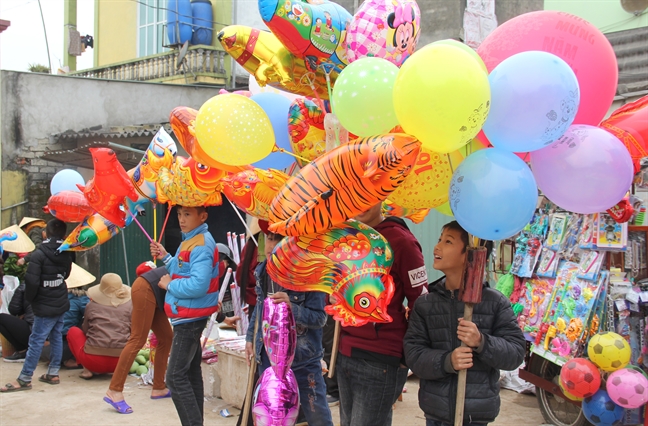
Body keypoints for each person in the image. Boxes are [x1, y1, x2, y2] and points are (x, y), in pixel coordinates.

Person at [403, 221, 526, 426]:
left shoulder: (495, 303)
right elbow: (413, 355)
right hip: (436, 412)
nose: (437, 247)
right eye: (440, 239)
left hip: (475, 415)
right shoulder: (425, 304)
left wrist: (481, 342)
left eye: (448, 242)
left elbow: (515, 353)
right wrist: (447, 361)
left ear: (470, 254)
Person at [337, 203, 428, 426]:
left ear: (381, 196)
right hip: (344, 353)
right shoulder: (346, 237)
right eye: (355, 196)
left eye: (368, 196)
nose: (360, 203)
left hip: (381, 360)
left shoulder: (402, 241)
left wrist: (409, 352)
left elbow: (422, 301)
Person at [245, 230, 333, 426]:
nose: (272, 246)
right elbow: (259, 308)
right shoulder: (263, 270)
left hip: (302, 361)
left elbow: (320, 318)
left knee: (317, 415)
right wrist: (250, 338)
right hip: (268, 359)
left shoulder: (310, 275)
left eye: (279, 239)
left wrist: (292, 309)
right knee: (270, 417)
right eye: (269, 238)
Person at [150, 205, 220, 426]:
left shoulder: (201, 243)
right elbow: (183, 268)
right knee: (190, 374)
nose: (181, 219)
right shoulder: (191, 239)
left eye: (187, 214)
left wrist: (170, 285)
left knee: (174, 378)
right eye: (179, 214)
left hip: (189, 318)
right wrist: (166, 257)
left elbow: (198, 285)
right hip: (188, 314)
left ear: (203, 216)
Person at [0, 218, 73, 392]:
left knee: (36, 340)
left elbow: (31, 282)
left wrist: (32, 300)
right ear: (64, 234)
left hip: (44, 304)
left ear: (44, 234)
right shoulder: (68, 251)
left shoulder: (39, 254)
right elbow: (67, 274)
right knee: (56, 336)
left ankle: (25, 378)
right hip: (61, 301)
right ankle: (53, 373)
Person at [103, 261, 174, 414]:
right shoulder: (197, 262)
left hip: (156, 294)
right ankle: (114, 390)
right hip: (146, 288)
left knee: (167, 337)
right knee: (137, 339)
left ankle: (159, 387)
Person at [67, 273, 132, 382]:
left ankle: (87, 370)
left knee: (73, 331)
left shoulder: (91, 305)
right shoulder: (130, 306)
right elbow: (133, 330)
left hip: (93, 361)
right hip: (121, 362)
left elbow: (86, 330)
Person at [236, 219, 264, 320]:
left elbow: (240, 278)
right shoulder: (253, 247)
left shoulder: (249, 247)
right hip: (263, 305)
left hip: (255, 305)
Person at [0, 281, 33, 362]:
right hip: (53, 334)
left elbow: (14, 309)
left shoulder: (26, 284)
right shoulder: (59, 284)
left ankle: (22, 351)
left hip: (33, 331)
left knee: (1, 318)